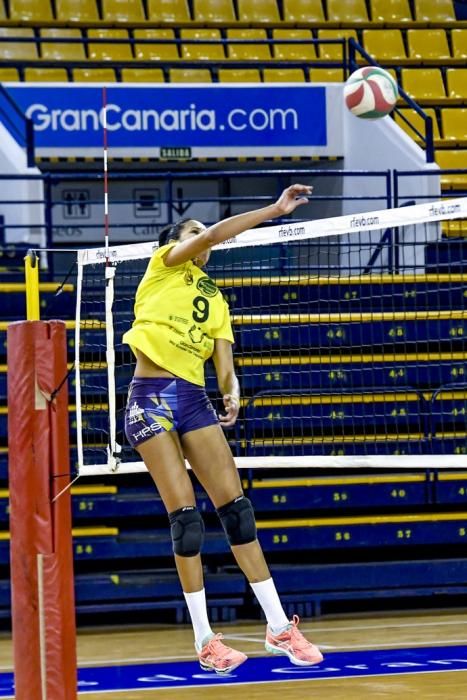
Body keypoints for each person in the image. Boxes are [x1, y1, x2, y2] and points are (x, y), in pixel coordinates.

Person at [122, 184, 323, 674]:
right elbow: (213, 232)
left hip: (192, 400)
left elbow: (224, 361)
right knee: (186, 518)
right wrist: (275, 210)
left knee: (237, 511)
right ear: (172, 242)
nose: (202, 240)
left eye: (201, 236)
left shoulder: (216, 301)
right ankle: (205, 639)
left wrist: (230, 389)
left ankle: (279, 628)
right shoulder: (163, 266)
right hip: (150, 399)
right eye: (193, 233)